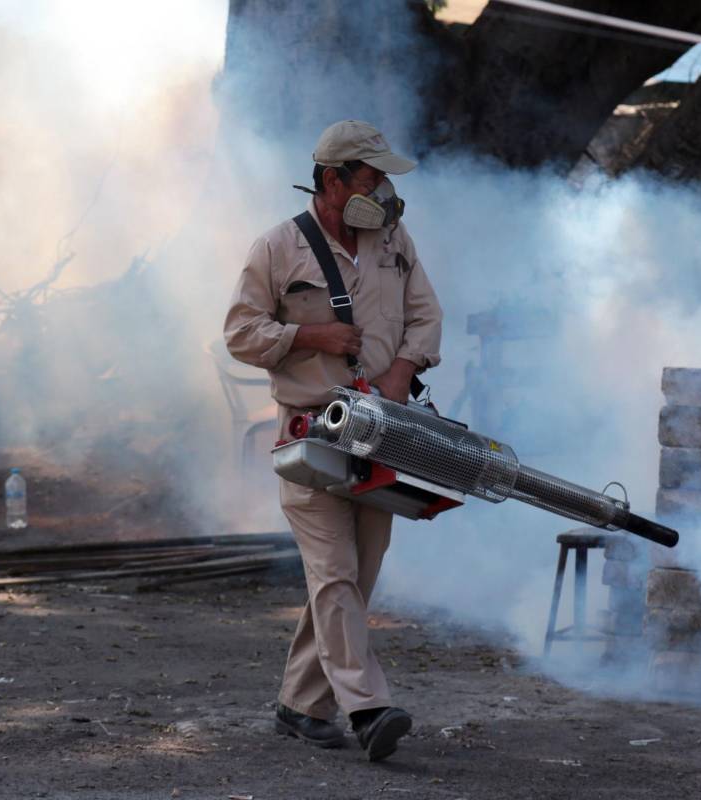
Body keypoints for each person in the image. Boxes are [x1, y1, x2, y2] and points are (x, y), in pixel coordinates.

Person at [223, 120, 443, 762]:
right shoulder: (277, 247)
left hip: (385, 434)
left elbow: (426, 314)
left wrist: (404, 369)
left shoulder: (394, 239)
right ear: (333, 180)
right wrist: (309, 337)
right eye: (372, 179)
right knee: (336, 574)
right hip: (312, 434)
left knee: (352, 580)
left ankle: (299, 704)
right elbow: (240, 332)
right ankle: (368, 708)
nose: (383, 191)